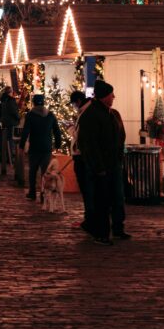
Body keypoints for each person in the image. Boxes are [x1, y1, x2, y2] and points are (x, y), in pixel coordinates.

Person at [77, 81, 128, 245]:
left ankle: (115, 229)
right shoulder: (92, 115)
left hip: (112, 164)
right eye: (111, 94)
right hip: (101, 167)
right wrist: (98, 167)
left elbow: (119, 137)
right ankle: (101, 233)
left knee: (115, 197)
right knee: (101, 200)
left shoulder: (110, 114)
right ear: (104, 96)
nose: (114, 97)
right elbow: (89, 144)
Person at [20, 93, 62, 200]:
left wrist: (22, 145)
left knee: (33, 171)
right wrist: (58, 144)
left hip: (34, 147)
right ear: (43, 102)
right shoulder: (50, 115)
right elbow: (57, 131)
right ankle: (44, 195)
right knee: (45, 172)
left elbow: (26, 131)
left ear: (33, 103)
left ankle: (32, 192)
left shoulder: (30, 115)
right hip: (47, 147)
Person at [69, 90, 91, 229]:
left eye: (73, 104)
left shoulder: (85, 114)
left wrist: (71, 128)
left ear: (77, 102)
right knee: (87, 190)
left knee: (87, 189)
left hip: (82, 157)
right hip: (82, 157)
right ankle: (88, 218)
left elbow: (79, 136)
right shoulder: (84, 112)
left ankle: (89, 219)